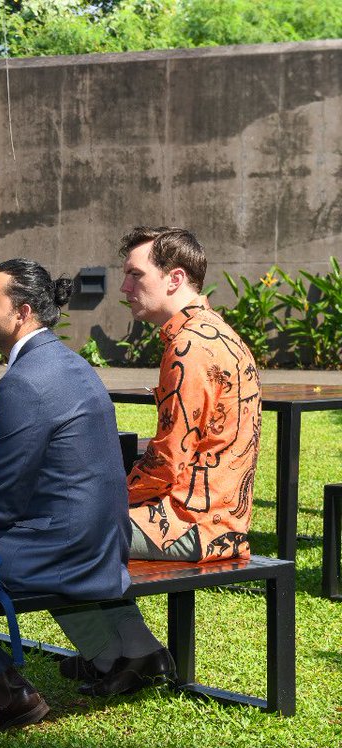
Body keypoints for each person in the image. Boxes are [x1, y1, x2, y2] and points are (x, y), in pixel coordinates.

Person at [0, 259, 170, 739]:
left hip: (63, 549)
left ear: (22, 312)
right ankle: (122, 653)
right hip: (99, 539)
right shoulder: (69, 362)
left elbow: (4, 501)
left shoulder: (22, 382)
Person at [119, 226, 260, 563]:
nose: (125, 287)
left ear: (175, 279)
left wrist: (107, 498)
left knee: (53, 530)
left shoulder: (189, 347)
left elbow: (167, 463)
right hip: (219, 522)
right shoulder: (215, 331)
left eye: (135, 275)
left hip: (187, 524)